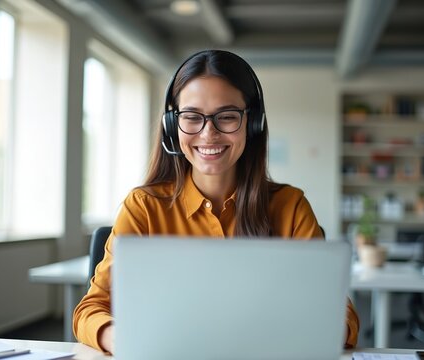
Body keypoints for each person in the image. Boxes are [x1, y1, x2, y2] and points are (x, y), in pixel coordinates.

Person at [73, 49, 359, 354]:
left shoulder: (290, 206)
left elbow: (342, 315)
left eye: (226, 117)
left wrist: (304, 333)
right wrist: (123, 338)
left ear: (253, 124)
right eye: (192, 117)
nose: (209, 133)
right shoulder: (144, 206)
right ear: (173, 124)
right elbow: (90, 310)